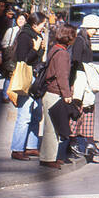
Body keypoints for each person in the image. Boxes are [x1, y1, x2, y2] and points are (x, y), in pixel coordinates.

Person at [9, 12, 46, 159]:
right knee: (24, 115)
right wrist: (36, 49)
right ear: (35, 24)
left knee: (36, 114)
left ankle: (31, 145)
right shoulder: (25, 36)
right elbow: (24, 60)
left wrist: (40, 48)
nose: (44, 27)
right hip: (26, 77)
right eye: (42, 24)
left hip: (36, 78)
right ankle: (17, 149)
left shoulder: (38, 36)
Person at [38, 23, 75, 170]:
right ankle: (47, 158)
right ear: (69, 37)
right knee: (52, 127)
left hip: (50, 92)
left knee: (52, 126)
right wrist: (67, 94)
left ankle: (50, 156)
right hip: (54, 93)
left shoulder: (55, 48)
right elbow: (62, 76)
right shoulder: (63, 54)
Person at [68, 15, 99, 160]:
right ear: (87, 27)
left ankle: (89, 142)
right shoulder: (80, 41)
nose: (96, 31)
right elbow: (75, 61)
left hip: (84, 79)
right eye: (95, 28)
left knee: (88, 109)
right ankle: (74, 141)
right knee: (78, 110)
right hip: (80, 80)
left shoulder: (84, 39)